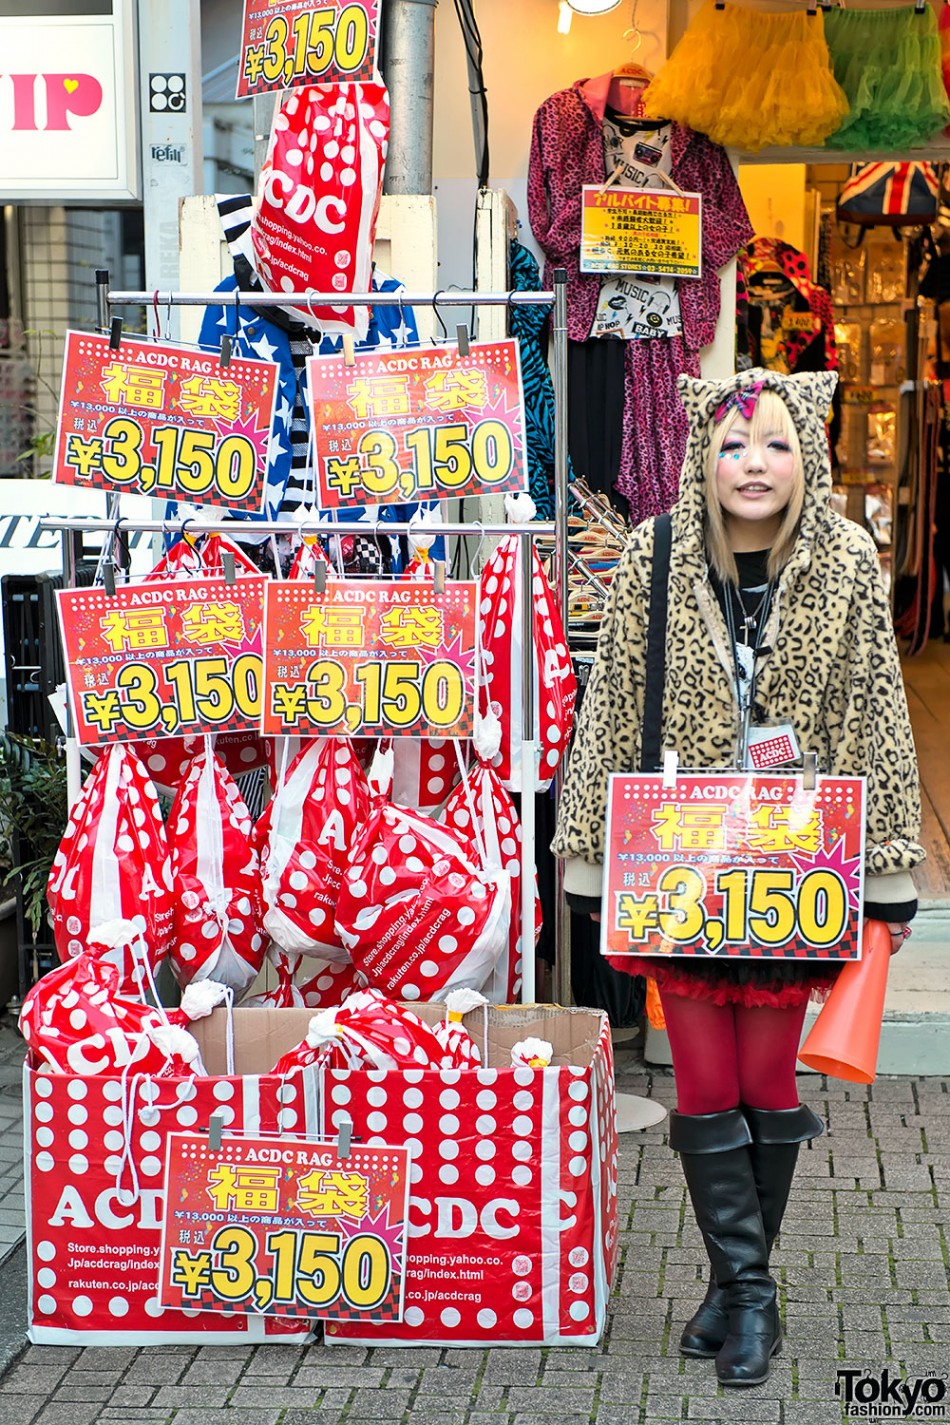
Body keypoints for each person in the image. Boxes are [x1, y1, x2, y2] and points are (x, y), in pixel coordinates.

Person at [552, 368, 924, 1387]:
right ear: (697, 458)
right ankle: (747, 1292)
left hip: (790, 865)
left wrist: (885, 882)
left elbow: (875, 717)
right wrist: (590, 853)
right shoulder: (654, 554)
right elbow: (613, 706)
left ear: (803, 452)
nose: (750, 464)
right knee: (703, 1082)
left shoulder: (846, 560)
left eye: (771, 444)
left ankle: (734, 1290)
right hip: (679, 863)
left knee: (763, 1079)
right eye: (729, 445)